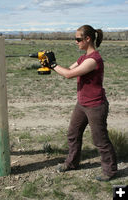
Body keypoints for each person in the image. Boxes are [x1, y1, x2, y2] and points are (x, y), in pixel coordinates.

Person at [44, 25, 117, 182]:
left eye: (78, 39)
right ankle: (72, 163)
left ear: (87, 39)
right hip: (82, 104)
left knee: (100, 140)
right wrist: (50, 64)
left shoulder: (93, 60)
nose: (75, 42)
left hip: (96, 105)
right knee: (73, 134)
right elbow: (68, 69)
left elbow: (69, 74)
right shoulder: (83, 57)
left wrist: (54, 65)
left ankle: (110, 170)